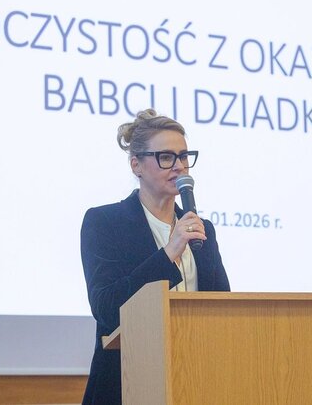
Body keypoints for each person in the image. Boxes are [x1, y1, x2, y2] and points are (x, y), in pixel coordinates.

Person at [80, 109, 231, 404]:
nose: (179, 167)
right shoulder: (105, 222)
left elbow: (222, 308)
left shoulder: (202, 230)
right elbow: (107, 308)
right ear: (136, 164)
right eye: (165, 157)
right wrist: (169, 253)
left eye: (183, 157)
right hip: (126, 385)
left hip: (197, 381)